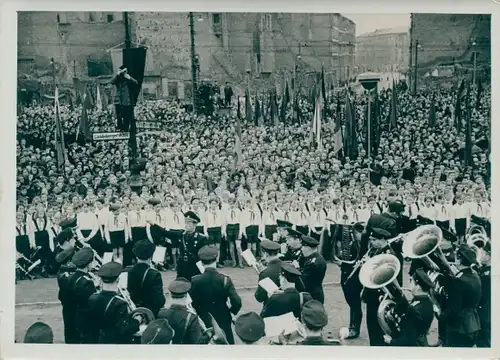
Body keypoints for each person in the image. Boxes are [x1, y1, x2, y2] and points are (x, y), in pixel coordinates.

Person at [190, 245, 242, 344]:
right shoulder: (225, 279)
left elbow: (193, 303)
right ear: (216, 258)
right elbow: (237, 301)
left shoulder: (195, 280)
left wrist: (199, 311)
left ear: (201, 262)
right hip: (223, 317)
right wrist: (232, 312)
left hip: (204, 319)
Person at [87, 261, 141, 344]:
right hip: (115, 342)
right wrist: (137, 320)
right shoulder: (119, 303)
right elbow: (124, 329)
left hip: (99, 340)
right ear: (118, 279)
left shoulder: (92, 297)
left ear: (101, 280)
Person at [441, 244, 482, 347]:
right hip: (473, 323)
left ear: (459, 260)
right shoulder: (475, 275)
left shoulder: (459, 281)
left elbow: (454, 309)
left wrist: (442, 316)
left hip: (459, 328)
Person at [149, 211, 209, 281]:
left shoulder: (201, 238)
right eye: (185, 222)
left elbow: (203, 255)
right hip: (182, 266)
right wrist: (153, 224)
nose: (186, 225)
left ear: (195, 224)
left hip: (194, 266)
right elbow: (165, 233)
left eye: (189, 223)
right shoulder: (181, 234)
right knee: (180, 285)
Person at [383, 268, 435, 347]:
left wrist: (391, 341)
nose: (409, 284)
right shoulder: (426, 301)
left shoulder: (416, 310)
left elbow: (409, 340)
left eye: (411, 282)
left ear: (417, 287)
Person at [157, 278, 209, 344]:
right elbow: (197, 342)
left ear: (170, 295)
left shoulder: (161, 313)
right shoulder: (191, 317)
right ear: (186, 296)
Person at [338, 221, 365, 340]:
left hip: (354, 277)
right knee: (352, 303)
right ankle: (352, 325)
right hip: (346, 274)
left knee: (355, 303)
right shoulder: (353, 243)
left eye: (355, 233)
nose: (353, 235)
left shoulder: (362, 245)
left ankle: (355, 328)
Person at [66, 247, 98, 344]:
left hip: (75, 314)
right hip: (86, 317)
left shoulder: (70, 277)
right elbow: (92, 301)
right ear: (88, 264)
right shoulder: (87, 282)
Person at [127, 240, 166, 317]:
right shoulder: (154, 274)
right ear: (151, 255)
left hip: (134, 310)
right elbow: (159, 301)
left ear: (136, 255)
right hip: (150, 313)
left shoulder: (128, 270)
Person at [55, 238, 77, 344]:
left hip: (67, 301)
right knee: (70, 324)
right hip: (69, 302)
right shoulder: (65, 274)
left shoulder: (64, 271)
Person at [299, 235, 327, 304]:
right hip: (315, 293)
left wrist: (297, 269)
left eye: (303, 247)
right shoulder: (316, 258)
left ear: (308, 247)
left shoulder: (312, 263)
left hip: (312, 295)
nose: (301, 249)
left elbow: (303, 281)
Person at [254, 239, 282, 305]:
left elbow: (260, 297)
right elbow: (301, 288)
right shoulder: (289, 266)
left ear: (265, 253)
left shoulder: (265, 273)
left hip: (272, 306)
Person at [111, 65, 138, 132]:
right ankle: (120, 127)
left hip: (126, 100)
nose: (124, 73)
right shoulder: (117, 78)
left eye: (125, 71)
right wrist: (117, 75)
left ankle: (125, 128)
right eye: (123, 71)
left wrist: (129, 78)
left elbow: (136, 83)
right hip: (118, 99)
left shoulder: (128, 78)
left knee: (126, 115)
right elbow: (112, 82)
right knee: (119, 115)